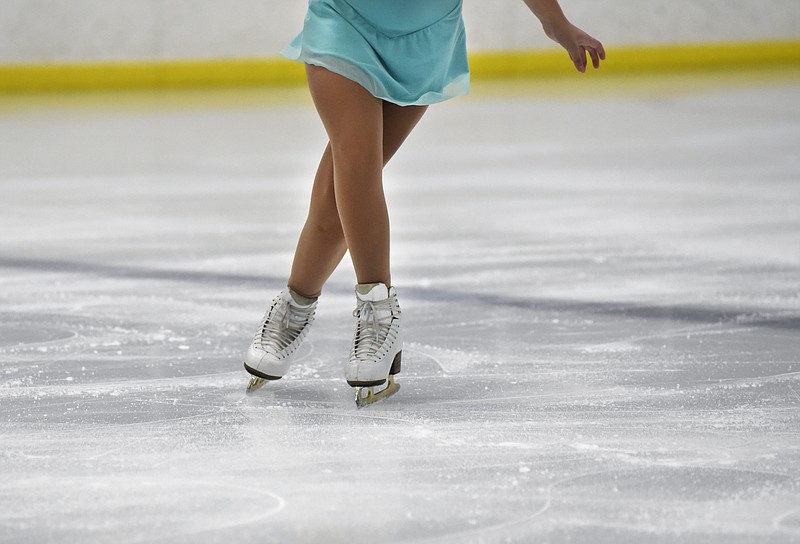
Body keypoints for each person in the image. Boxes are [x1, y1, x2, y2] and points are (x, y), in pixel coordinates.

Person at [243, 0, 605, 406]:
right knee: (356, 158)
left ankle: (295, 303)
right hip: (341, 18)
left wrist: (555, 24)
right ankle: (378, 311)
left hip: (423, 38)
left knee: (338, 202)